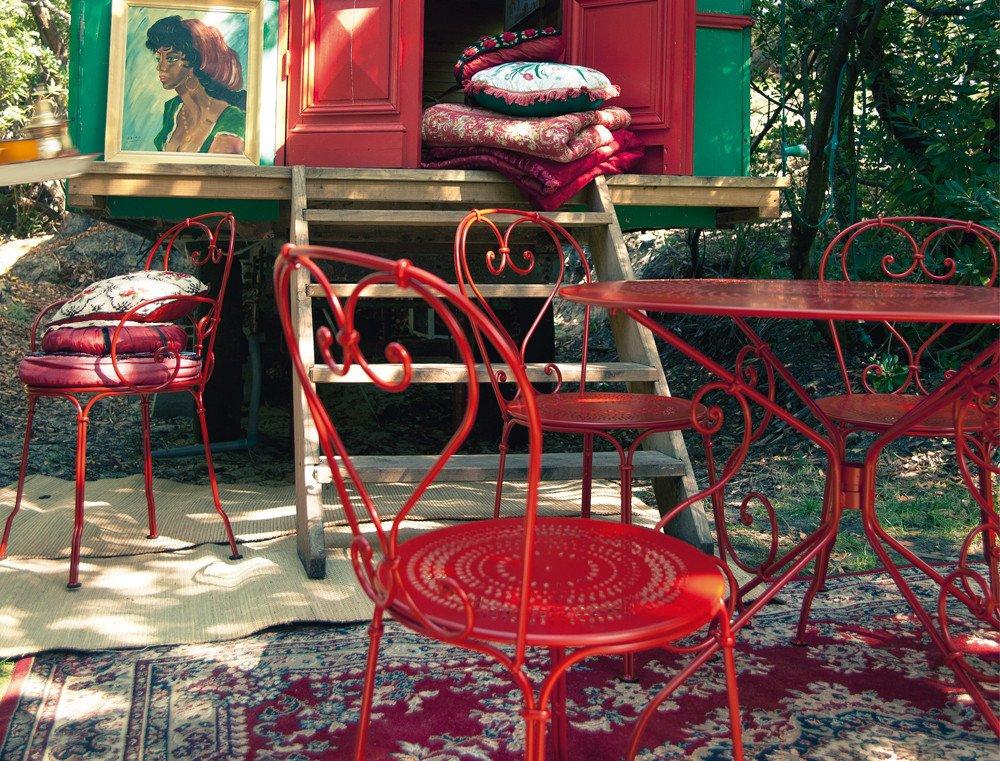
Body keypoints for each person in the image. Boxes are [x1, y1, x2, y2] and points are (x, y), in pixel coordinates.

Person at [146, 15, 247, 154]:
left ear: (194, 62)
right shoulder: (172, 108)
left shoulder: (232, 118)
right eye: (159, 59)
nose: (160, 67)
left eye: (171, 59)